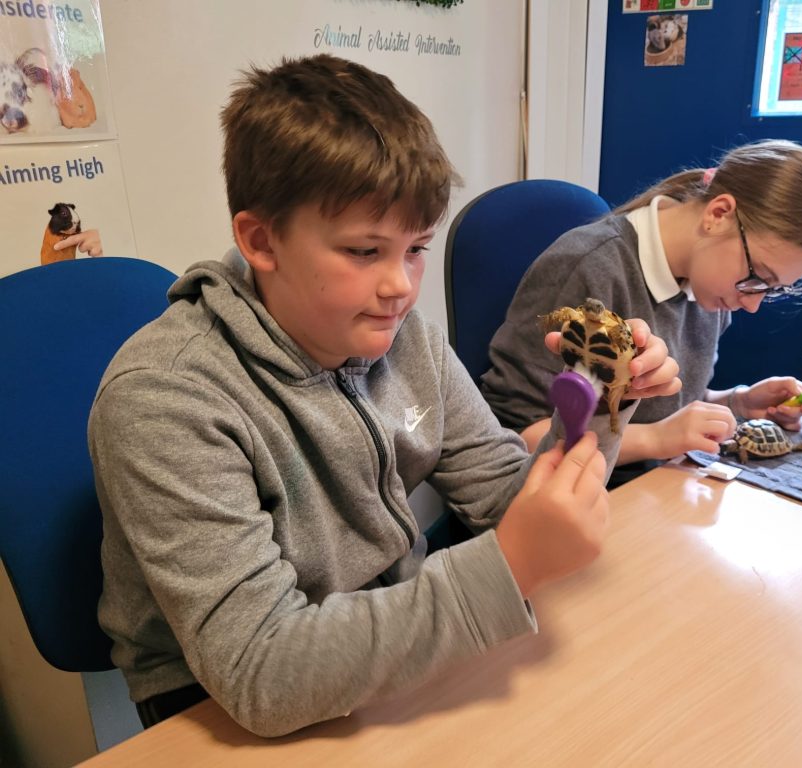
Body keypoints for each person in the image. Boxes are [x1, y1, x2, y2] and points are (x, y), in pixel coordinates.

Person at [87, 54, 680, 737]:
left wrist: (603, 401)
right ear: (260, 240)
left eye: (416, 248)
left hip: (385, 638)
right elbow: (259, 670)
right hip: (218, 701)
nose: (401, 286)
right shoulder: (165, 399)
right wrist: (511, 565)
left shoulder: (406, 338)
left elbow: (505, 499)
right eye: (365, 252)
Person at [481, 139, 802, 486]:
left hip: (657, 487)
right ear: (718, 214)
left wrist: (738, 402)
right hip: (580, 496)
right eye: (758, 278)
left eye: (772, 290)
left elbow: (665, 404)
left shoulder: (709, 285)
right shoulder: (591, 269)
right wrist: (655, 439)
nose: (752, 304)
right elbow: (514, 438)